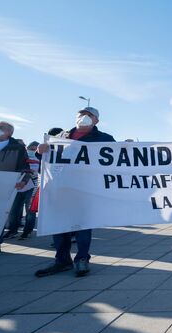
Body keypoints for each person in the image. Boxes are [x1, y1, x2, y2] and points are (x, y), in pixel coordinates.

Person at [34, 106, 115, 277]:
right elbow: (48, 160)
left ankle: (82, 259)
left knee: (83, 226)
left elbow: (116, 161)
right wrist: (40, 151)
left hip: (86, 189)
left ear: (96, 121)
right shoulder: (61, 137)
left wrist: (127, 148)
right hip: (61, 188)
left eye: (89, 115)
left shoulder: (104, 138)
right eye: (81, 114)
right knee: (59, 225)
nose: (84, 117)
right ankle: (62, 260)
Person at [0, 121, 31, 254]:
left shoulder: (16, 147)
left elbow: (25, 167)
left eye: (1, 127)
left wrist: (24, 180)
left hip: (1, 186)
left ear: (10, 132)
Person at [3, 141, 40, 240]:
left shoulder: (40, 157)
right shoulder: (19, 155)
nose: (32, 151)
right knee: (13, 209)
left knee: (30, 210)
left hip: (33, 186)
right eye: (31, 148)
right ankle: (12, 230)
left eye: (35, 149)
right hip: (17, 185)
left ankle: (27, 232)